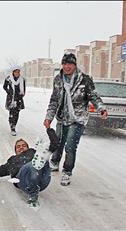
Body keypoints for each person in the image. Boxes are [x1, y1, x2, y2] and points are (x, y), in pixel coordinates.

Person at [43, 53, 108, 186]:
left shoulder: (84, 80)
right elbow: (54, 100)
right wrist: (49, 117)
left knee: (70, 147)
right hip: (62, 117)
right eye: (64, 64)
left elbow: (93, 96)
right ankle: (54, 162)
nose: (67, 67)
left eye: (70, 64)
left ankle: (67, 172)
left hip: (78, 118)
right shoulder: (58, 79)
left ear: (75, 65)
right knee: (58, 142)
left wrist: (100, 108)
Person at [0, 128, 59, 207]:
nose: (21, 147)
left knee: (44, 157)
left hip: (43, 180)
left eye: (24, 146)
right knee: (32, 164)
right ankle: (33, 195)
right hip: (24, 181)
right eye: (18, 147)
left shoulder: (33, 152)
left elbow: (55, 145)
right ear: (15, 151)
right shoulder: (12, 160)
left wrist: (49, 129)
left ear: (28, 148)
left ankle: (38, 164)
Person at [3, 67, 26, 136]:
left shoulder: (22, 79)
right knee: (11, 112)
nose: (17, 73)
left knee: (17, 113)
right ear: (13, 72)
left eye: (18, 72)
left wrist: (21, 95)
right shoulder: (8, 78)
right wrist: (8, 91)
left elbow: (24, 89)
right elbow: (4, 86)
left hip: (18, 98)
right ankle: (11, 125)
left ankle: (14, 125)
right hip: (11, 98)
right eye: (16, 72)